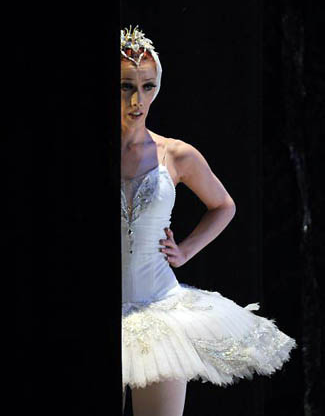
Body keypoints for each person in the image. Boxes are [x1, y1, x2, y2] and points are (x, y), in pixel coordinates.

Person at [120, 26, 297, 416]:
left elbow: (224, 205)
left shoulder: (176, 155)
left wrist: (185, 251)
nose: (137, 99)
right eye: (125, 86)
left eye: (148, 86)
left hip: (158, 311)